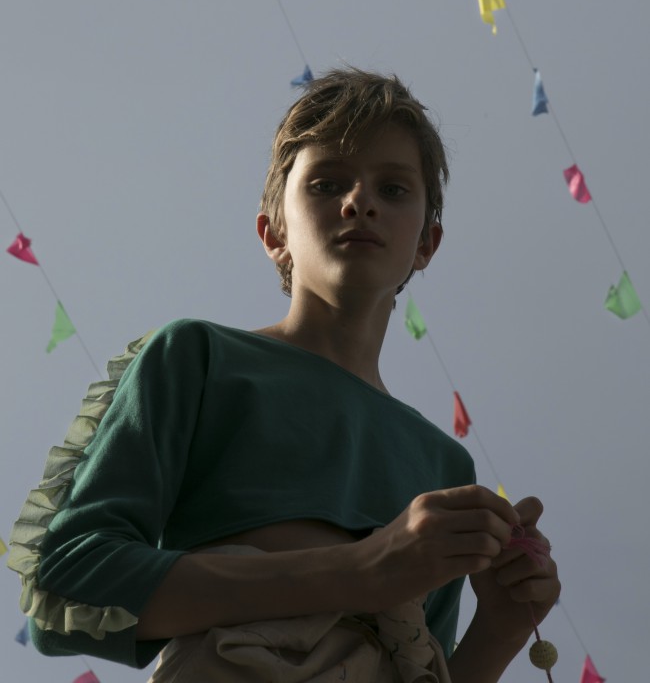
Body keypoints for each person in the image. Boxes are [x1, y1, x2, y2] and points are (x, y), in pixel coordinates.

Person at [9, 69, 560, 682]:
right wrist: (362, 571)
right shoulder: (198, 358)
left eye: (395, 189)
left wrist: (502, 627)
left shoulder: (443, 465)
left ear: (427, 244)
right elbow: (71, 585)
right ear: (274, 233)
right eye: (327, 183)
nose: (360, 202)